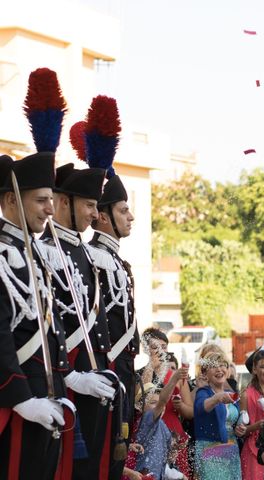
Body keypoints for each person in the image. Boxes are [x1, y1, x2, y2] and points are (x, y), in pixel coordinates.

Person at [75, 98, 141, 480]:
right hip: (102, 373)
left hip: (121, 377)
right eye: (122, 210)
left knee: (114, 465)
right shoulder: (92, 260)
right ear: (100, 215)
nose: (130, 215)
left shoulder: (117, 262)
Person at [40, 159, 118, 479]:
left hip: (95, 375)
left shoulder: (88, 254)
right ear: (63, 202)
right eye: (88, 205)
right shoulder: (45, 250)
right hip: (67, 376)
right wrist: (70, 376)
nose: (93, 214)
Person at [0, 152, 73, 479]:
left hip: (46, 401)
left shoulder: (35, 258)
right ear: (10, 201)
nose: (50, 209)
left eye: (53, 200)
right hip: (15, 406)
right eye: (42, 200)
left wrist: (66, 380)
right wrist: (21, 399)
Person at [193, 351, 242, 480]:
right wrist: (217, 398)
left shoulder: (231, 393)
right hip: (209, 450)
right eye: (214, 366)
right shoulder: (204, 392)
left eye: (223, 365)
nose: (219, 369)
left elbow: (235, 422)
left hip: (231, 448)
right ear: (205, 374)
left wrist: (240, 429)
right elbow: (200, 407)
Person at [134, 367, 188, 479]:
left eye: (158, 402)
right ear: (140, 406)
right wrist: (174, 379)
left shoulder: (161, 424)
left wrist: (173, 450)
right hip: (144, 475)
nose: (160, 407)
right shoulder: (146, 419)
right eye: (153, 403)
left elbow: (163, 456)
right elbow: (163, 401)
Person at [239, 350, 264, 480]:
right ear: (255, 370)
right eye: (262, 367)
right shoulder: (247, 395)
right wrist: (256, 426)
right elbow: (241, 432)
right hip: (254, 449)